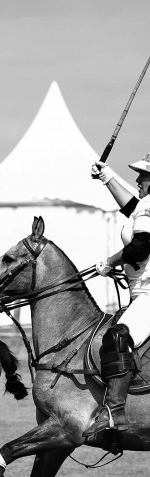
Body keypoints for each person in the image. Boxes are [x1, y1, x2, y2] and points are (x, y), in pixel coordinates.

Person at [83, 152, 150, 439]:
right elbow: (132, 208)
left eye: (143, 176)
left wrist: (110, 262)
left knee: (118, 337)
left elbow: (140, 247)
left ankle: (113, 412)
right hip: (141, 292)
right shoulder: (145, 205)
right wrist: (107, 177)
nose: (138, 180)